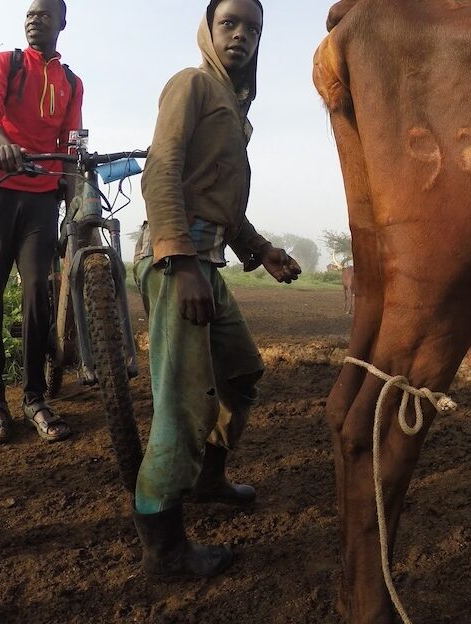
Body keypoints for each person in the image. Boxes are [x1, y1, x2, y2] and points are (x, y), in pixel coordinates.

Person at [131, 0, 300, 579]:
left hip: (207, 259)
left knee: (240, 373)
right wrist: (178, 262)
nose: (242, 36)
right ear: (207, 30)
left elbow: (220, 202)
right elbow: (162, 170)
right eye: (230, 24)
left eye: (253, 29)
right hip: (178, 259)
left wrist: (260, 251)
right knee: (182, 402)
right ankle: (165, 548)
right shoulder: (192, 85)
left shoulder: (232, 107)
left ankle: (208, 479)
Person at [0, 0, 82, 444]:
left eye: (43, 14)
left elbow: (71, 139)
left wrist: (75, 195)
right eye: (29, 14)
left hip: (41, 197)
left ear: (62, 22)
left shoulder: (71, 82)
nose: (34, 19)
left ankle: (34, 395)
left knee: (38, 291)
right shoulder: (6, 62)